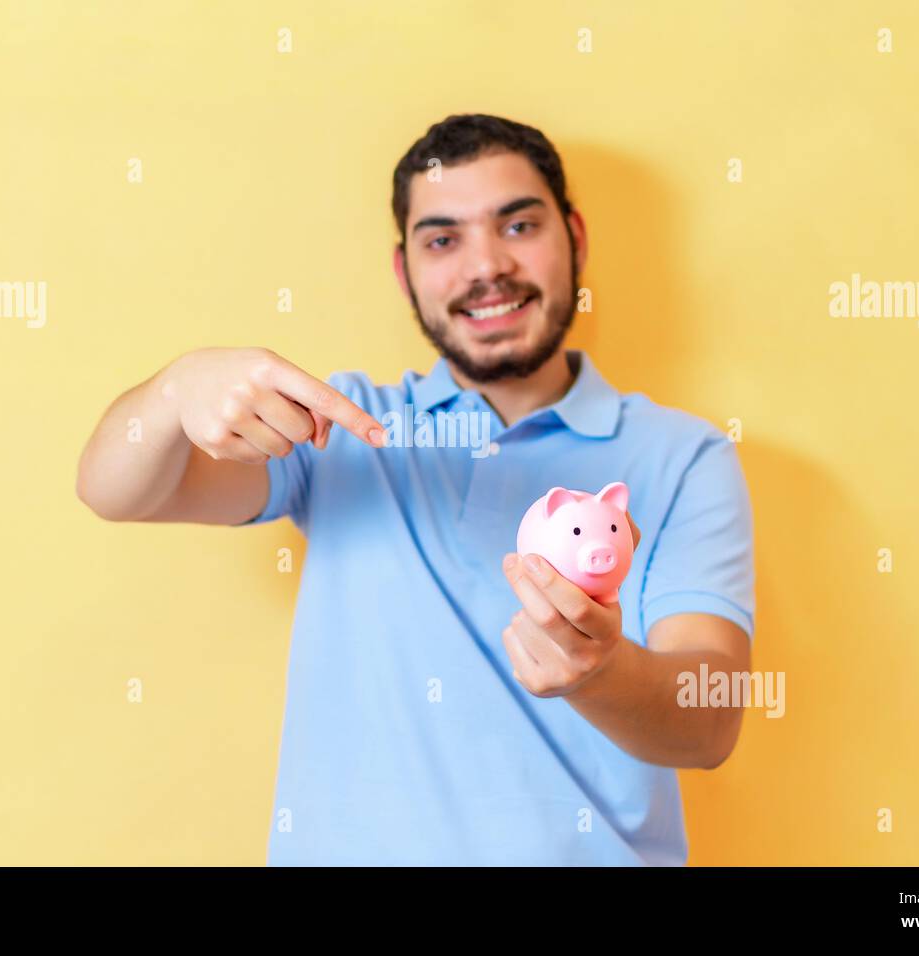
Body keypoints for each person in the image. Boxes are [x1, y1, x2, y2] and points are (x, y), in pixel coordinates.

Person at [76, 113, 756, 865]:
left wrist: (600, 671)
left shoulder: (684, 455)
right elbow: (114, 490)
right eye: (442, 239)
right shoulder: (337, 428)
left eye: (519, 225)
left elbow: (710, 722)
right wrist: (174, 393)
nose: (485, 267)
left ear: (576, 238)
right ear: (405, 272)